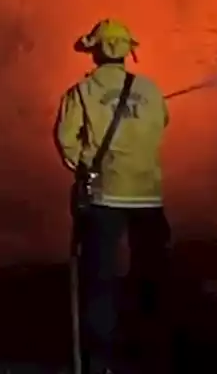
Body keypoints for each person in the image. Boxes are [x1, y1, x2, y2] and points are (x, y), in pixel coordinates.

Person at [55, 19, 171, 374]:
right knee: (152, 280)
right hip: (149, 199)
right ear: (126, 51)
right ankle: (152, 358)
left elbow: (67, 142)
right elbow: (161, 124)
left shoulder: (82, 92)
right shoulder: (151, 91)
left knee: (100, 283)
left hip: (105, 200)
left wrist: (87, 167)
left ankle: (100, 365)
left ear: (95, 51)